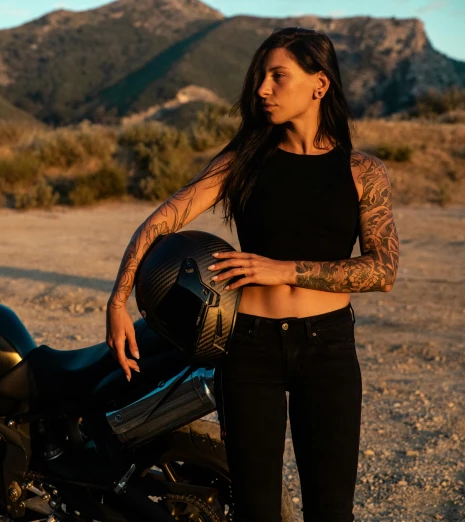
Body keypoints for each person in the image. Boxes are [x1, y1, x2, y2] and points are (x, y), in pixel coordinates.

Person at [105, 27, 400, 522]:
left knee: (332, 510)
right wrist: (117, 302)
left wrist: (280, 269)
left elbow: (383, 269)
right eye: (260, 77)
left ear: (319, 84)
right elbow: (161, 220)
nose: (263, 89)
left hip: (327, 348)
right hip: (248, 348)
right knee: (256, 510)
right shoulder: (243, 161)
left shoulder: (360, 171)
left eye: (278, 76)